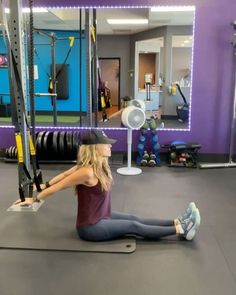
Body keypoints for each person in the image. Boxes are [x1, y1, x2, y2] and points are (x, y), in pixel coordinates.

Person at [15, 129, 201, 242]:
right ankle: (181, 230)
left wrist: (42, 185)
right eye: (106, 144)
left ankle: (176, 221)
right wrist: (35, 198)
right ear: (95, 148)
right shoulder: (87, 172)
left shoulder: (96, 166)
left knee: (133, 217)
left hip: (102, 213)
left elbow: (63, 174)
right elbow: (60, 185)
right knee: (133, 226)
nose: (110, 147)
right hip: (91, 227)